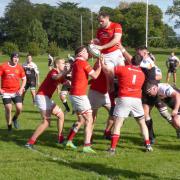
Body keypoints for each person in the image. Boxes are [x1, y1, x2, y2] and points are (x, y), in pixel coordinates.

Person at [101, 54, 153, 154]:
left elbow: (108, 70)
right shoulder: (142, 74)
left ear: (131, 60)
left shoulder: (123, 69)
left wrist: (102, 62)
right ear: (140, 62)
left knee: (118, 123)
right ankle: (148, 145)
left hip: (124, 98)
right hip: (137, 100)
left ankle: (112, 149)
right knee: (142, 123)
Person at [64, 45, 101, 153]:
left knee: (81, 120)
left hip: (74, 94)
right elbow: (95, 76)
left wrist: (98, 61)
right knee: (89, 119)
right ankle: (86, 146)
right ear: (80, 54)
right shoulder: (82, 62)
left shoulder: (76, 62)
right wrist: (101, 66)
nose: (88, 53)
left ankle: (69, 141)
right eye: (85, 51)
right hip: (79, 95)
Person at [25, 58, 68, 148]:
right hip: (41, 97)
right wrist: (65, 72)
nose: (65, 64)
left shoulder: (61, 75)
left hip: (46, 98)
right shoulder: (53, 71)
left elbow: (68, 84)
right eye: (63, 63)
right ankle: (30, 143)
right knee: (46, 122)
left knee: (61, 115)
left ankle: (60, 138)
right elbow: (55, 77)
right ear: (57, 65)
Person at [136, 46, 173, 143]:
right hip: (147, 93)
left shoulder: (153, 66)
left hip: (156, 93)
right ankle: (151, 136)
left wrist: (149, 79)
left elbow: (159, 76)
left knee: (165, 114)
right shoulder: (141, 65)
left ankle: (177, 128)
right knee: (146, 114)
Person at [91, 11, 125, 92]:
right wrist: (95, 42)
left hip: (116, 52)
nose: (100, 23)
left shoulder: (116, 26)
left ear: (107, 18)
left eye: (101, 21)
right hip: (105, 55)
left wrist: (102, 46)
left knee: (123, 74)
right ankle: (112, 99)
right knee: (109, 77)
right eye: (99, 21)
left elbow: (116, 39)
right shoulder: (99, 30)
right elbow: (99, 41)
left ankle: (124, 92)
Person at [0, 52, 26, 131]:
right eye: (15, 57)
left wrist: (21, 89)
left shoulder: (19, 67)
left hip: (16, 91)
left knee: (19, 108)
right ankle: (9, 126)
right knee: (8, 108)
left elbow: (24, 79)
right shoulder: (3, 66)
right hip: (5, 92)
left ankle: (15, 119)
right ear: (11, 58)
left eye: (17, 58)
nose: (16, 59)